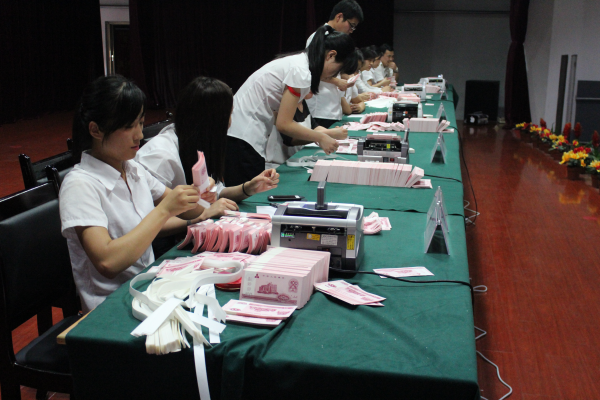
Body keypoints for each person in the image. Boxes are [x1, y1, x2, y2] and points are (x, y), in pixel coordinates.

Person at [60, 75, 236, 312]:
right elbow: (107, 262)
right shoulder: (80, 184)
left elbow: (188, 210)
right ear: (96, 130)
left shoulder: (132, 169)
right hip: (110, 307)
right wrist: (165, 210)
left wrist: (200, 195)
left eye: (141, 123)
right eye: (128, 126)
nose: (139, 135)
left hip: (148, 289)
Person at [225, 25, 357, 186]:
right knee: (248, 191)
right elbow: (284, 124)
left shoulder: (299, 63)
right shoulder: (301, 71)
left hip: (244, 131)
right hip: (243, 134)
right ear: (331, 55)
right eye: (338, 69)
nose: (334, 75)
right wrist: (320, 137)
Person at [136, 76, 279, 203]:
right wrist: (204, 214)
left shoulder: (197, 143)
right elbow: (151, 215)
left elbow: (216, 193)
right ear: (213, 121)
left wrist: (248, 188)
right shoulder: (161, 156)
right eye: (229, 115)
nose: (230, 123)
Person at [305, 0, 364, 128]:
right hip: (319, 108)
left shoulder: (336, 38)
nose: (351, 30)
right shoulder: (318, 37)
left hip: (331, 108)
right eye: (351, 25)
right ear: (339, 17)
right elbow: (312, 70)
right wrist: (337, 82)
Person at [265, 92, 349, 168]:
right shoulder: (285, 104)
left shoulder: (302, 101)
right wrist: (328, 134)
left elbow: (314, 126)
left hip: (298, 159)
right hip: (280, 164)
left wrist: (330, 134)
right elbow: (292, 139)